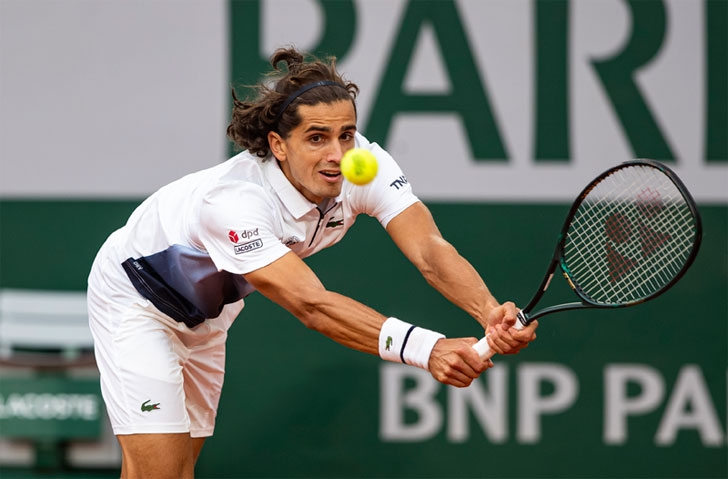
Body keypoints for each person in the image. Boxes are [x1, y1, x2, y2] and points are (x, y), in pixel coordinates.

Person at [87, 47, 538, 479]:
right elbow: (312, 305)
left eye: (346, 134)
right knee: (161, 473)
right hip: (135, 301)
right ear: (278, 145)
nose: (338, 155)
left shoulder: (365, 164)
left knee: (174, 468)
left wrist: (489, 311)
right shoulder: (233, 204)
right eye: (317, 138)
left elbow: (430, 250)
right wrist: (428, 349)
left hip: (207, 317)